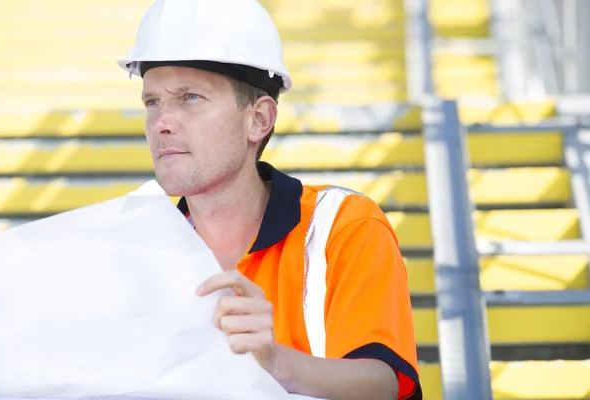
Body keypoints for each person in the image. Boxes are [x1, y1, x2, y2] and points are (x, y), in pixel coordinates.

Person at [118, 0, 422, 399]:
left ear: (259, 119)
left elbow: (383, 386)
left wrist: (273, 362)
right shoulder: (131, 246)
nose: (162, 123)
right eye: (152, 101)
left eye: (190, 97)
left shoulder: (343, 225)